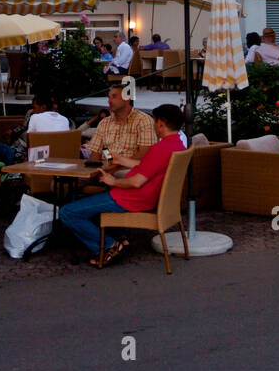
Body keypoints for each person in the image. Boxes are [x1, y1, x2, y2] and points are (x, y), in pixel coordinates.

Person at [59, 104, 186, 265]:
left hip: (129, 198)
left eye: (154, 122)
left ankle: (109, 246)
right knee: (79, 198)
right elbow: (147, 166)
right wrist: (120, 159)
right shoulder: (177, 145)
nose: (154, 126)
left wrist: (113, 181)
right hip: (143, 197)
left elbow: (136, 181)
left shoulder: (160, 148)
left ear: (160, 123)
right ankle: (119, 237)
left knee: (67, 212)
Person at [84, 81, 156, 163]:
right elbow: (96, 153)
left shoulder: (143, 120)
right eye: (109, 97)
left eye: (114, 97)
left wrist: (117, 165)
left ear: (127, 98)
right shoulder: (104, 123)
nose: (109, 101)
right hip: (108, 167)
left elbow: (144, 154)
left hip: (131, 168)